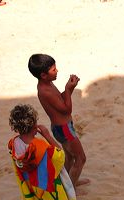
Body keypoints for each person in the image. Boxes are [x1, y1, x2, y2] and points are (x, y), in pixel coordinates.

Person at [8, 104, 75, 200]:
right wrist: (47, 136)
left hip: (34, 184)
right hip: (49, 185)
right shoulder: (40, 146)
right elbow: (59, 155)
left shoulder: (14, 143)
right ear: (34, 126)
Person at [28, 53, 90, 188]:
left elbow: (60, 102)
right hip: (64, 128)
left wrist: (69, 91)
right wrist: (68, 89)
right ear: (43, 75)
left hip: (61, 127)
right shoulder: (45, 91)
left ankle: (68, 183)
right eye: (53, 70)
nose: (57, 71)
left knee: (70, 158)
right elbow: (66, 110)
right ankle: (70, 189)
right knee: (80, 158)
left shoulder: (47, 84)